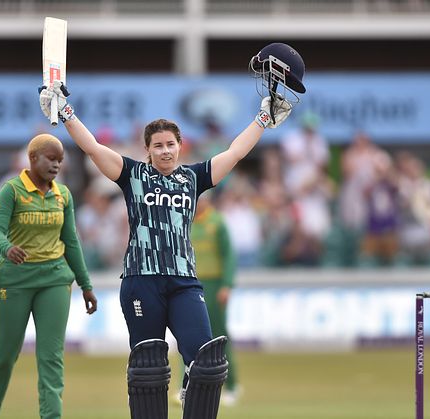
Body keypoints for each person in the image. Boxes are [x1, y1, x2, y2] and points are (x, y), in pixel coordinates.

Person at [39, 42, 303, 419]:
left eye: (171, 144)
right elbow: (95, 149)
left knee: (207, 363)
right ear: (147, 150)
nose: (165, 151)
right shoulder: (133, 175)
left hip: (184, 281)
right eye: (158, 146)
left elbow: (235, 153)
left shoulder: (193, 179)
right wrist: (64, 112)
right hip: (141, 279)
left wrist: (262, 120)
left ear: (181, 147)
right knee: (149, 369)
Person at [0, 133, 98, 419]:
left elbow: (71, 241)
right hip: (14, 279)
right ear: (32, 159)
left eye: (60, 161)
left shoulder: (63, 195)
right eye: (50, 159)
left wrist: (85, 284)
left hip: (54, 279)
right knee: (4, 356)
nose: (56, 166)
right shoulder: (12, 190)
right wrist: (7, 248)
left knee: (51, 358)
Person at [186, 195, 241, 406]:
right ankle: (188, 384)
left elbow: (229, 256)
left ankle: (232, 385)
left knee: (218, 336)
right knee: (188, 335)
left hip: (214, 285)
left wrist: (226, 285)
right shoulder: (186, 221)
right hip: (190, 285)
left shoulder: (217, 223)